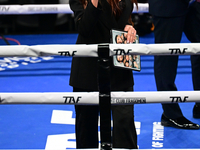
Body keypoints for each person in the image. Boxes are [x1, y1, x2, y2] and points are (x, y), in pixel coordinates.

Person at [69, 0, 138, 149]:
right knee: (87, 130)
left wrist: (129, 27)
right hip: (89, 69)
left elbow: (121, 20)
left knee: (124, 123)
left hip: (120, 67)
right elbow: (84, 28)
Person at [148, 0, 200, 129]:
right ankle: (171, 114)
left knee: (198, 47)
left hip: (191, 5)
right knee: (166, 57)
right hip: (168, 5)